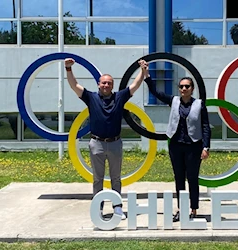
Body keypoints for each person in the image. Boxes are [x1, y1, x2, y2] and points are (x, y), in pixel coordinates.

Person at [65, 58, 147, 220]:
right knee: (98, 179)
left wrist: (143, 72)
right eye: (103, 83)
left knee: (116, 178)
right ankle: (98, 208)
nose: (106, 85)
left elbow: (135, 85)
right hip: (96, 143)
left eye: (109, 83)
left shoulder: (120, 97)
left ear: (112, 85)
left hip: (115, 143)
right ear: (98, 84)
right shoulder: (91, 97)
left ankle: (117, 207)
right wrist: (68, 69)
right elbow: (75, 86)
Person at [142, 62, 211, 222]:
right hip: (176, 145)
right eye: (181, 86)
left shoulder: (199, 104)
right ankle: (181, 209)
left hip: (194, 146)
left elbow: (206, 126)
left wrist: (206, 146)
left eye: (187, 86)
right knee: (179, 177)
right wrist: (146, 74)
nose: (184, 89)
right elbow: (155, 92)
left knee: (193, 177)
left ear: (192, 88)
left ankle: (193, 210)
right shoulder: (173, 101)